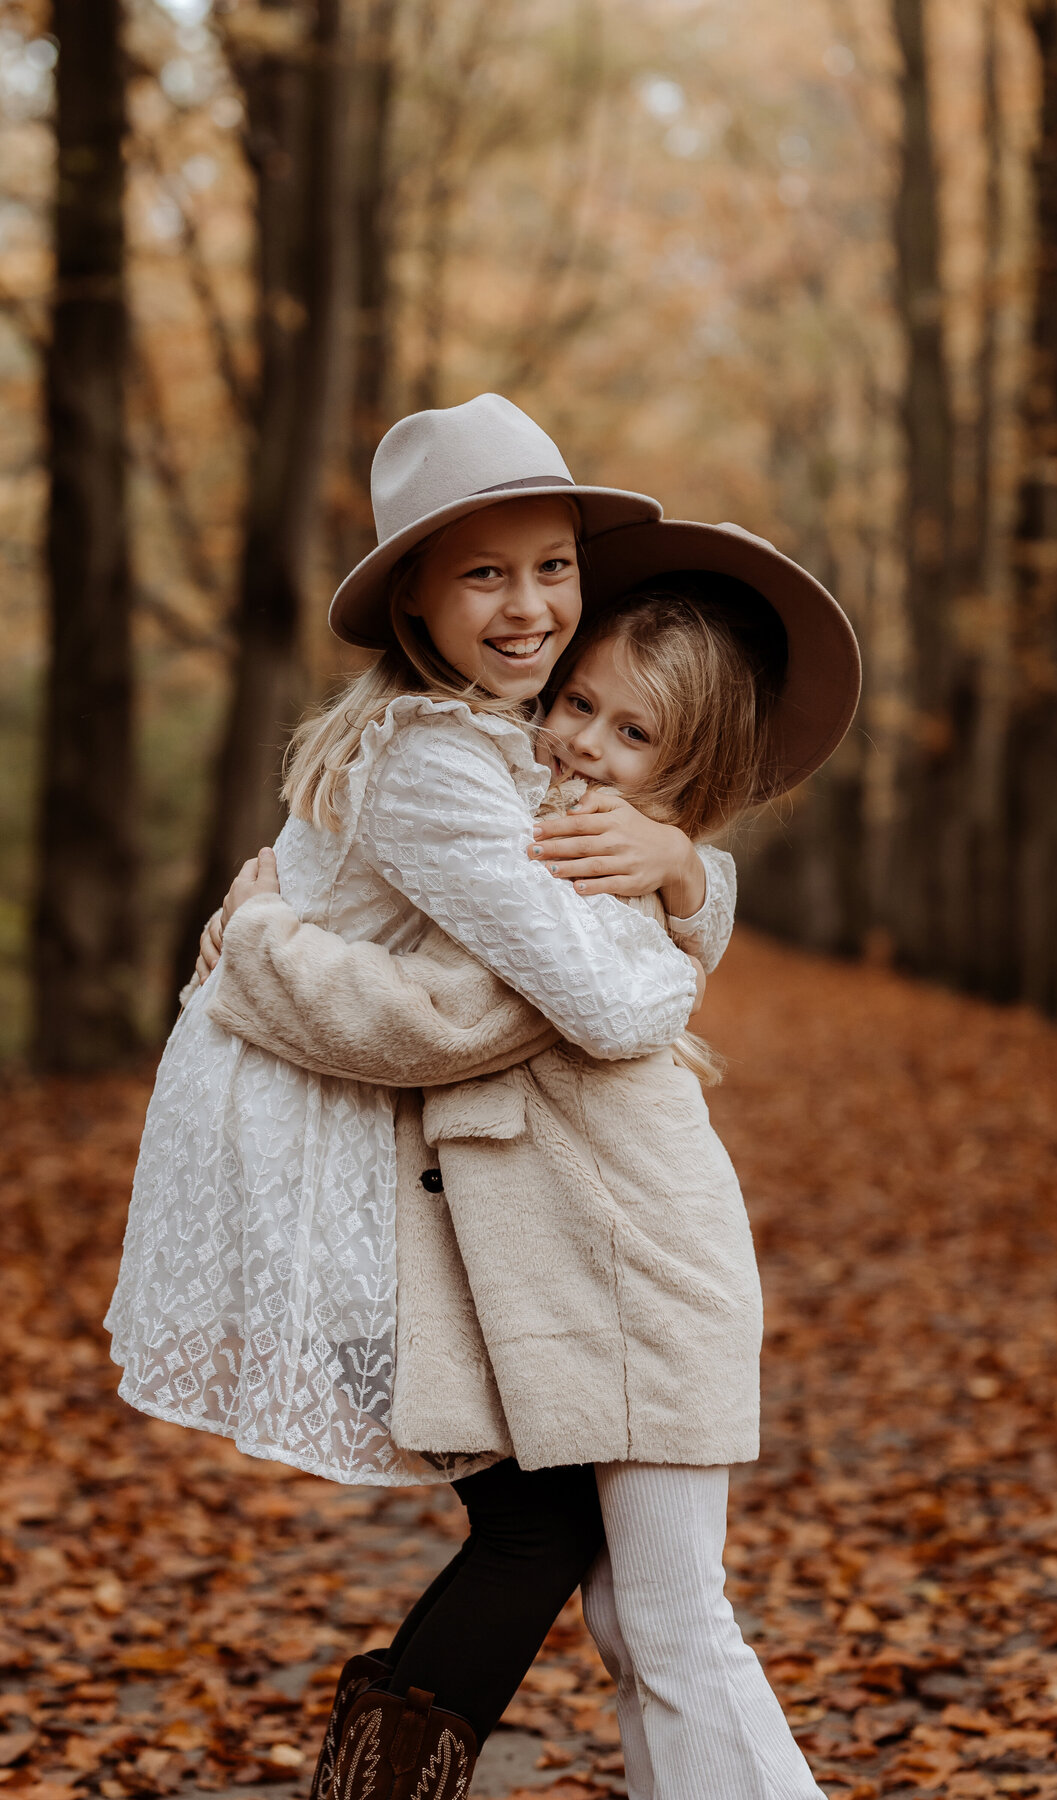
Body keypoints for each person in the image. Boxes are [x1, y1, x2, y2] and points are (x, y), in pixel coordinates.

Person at [106, 397, 752, 1796]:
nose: (530, 609)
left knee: (540, 1527)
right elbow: (606, 1000)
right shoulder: (440, 765)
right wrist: (666, 900)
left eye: (553, 567)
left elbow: (586, 928)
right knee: (536, 1530)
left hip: (394, 1170)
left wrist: (684, 868)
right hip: (328, 1183)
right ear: (412, 593)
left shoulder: (492, 744)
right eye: (482, 573)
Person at [188, 513, 860, 1800]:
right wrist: (683, 874)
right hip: (590, 1272)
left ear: (689, 767)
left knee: (670, 1624)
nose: (583, 745)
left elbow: (463, 1017)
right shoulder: (547, 824)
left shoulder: (576, 852)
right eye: (579, 703)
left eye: (633, 735)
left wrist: (264, 942)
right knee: (628, 1618)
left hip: (644, 1272)